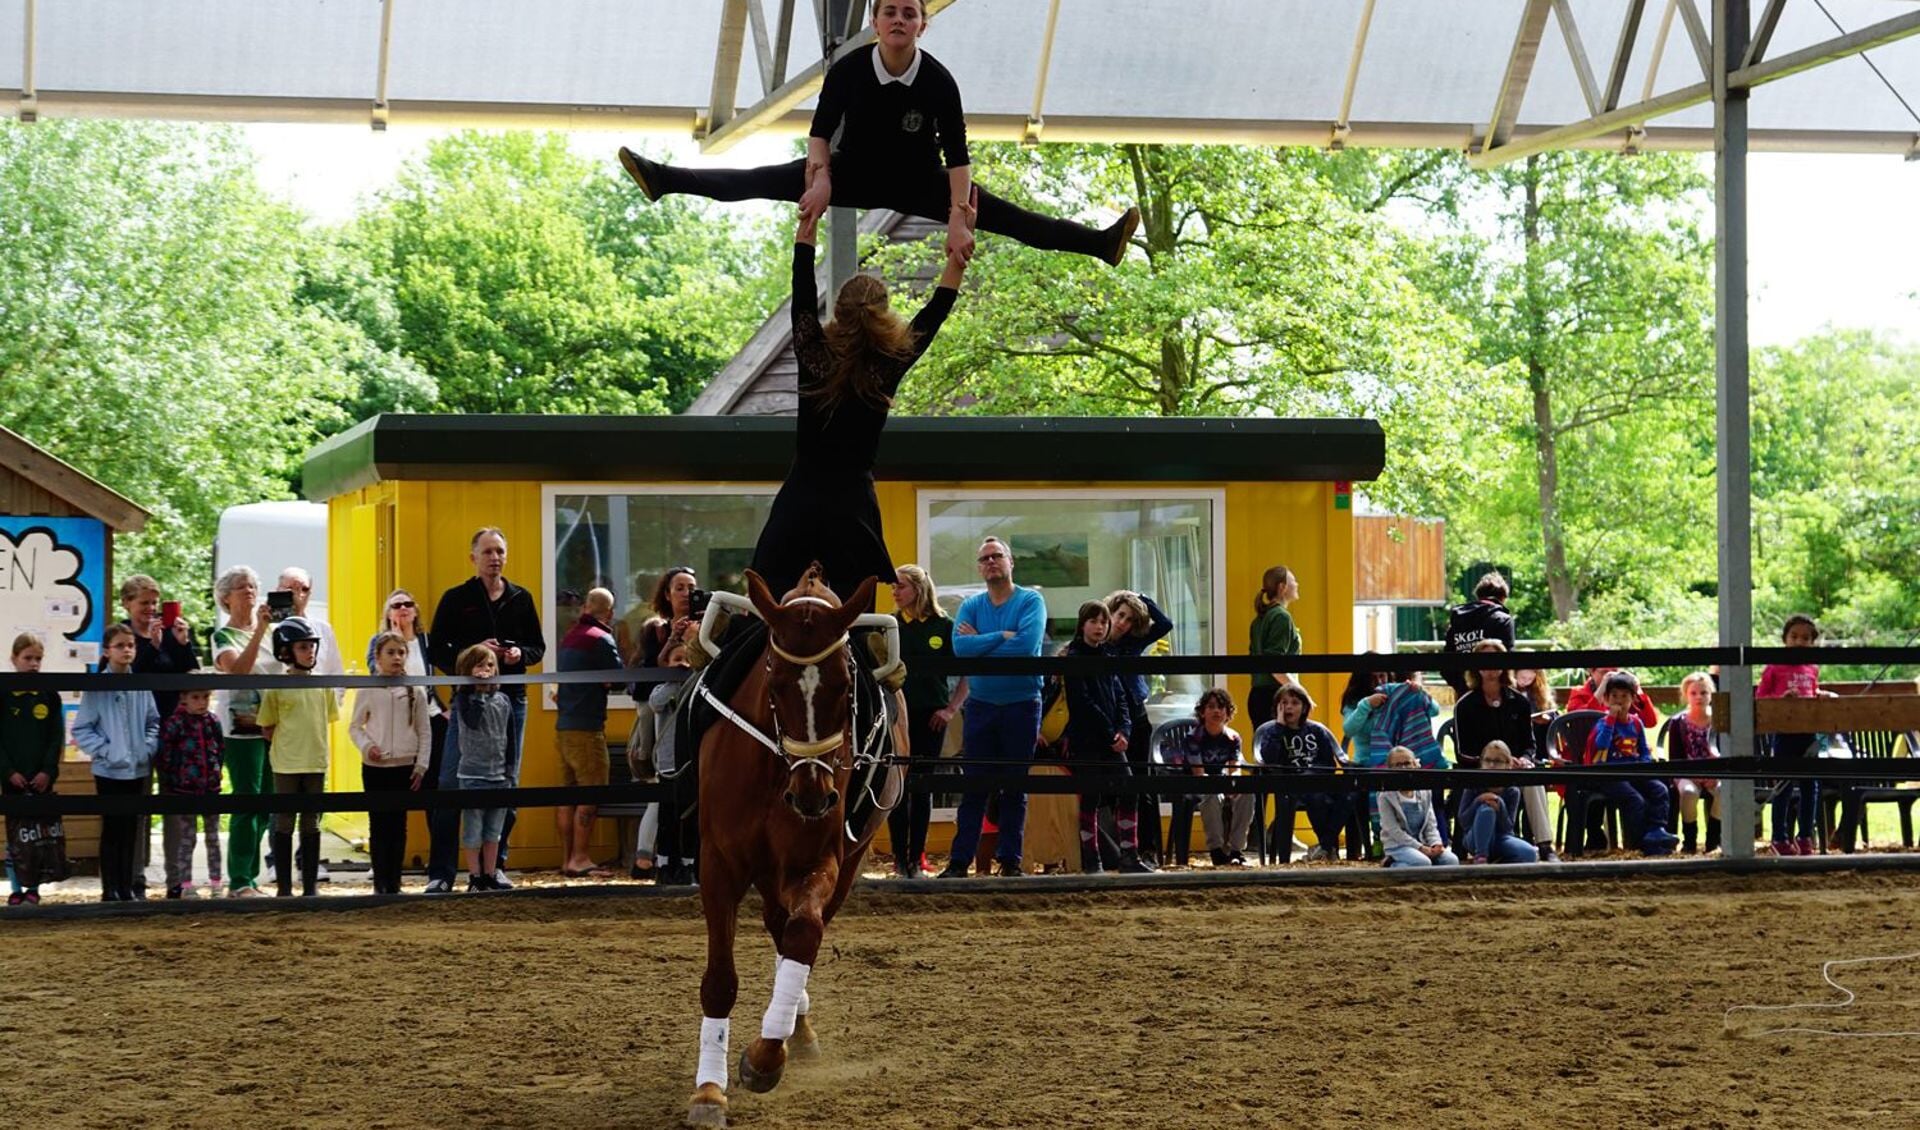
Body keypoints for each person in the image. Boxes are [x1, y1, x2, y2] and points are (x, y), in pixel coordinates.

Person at [618, 1, 1139, 269]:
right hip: (851, 173)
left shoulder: (938, 82)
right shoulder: (847, 71)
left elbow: (959, 161)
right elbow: (820, 133)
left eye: (908, 13)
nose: (898, 20)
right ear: (875, 21)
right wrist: (819, 180)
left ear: (921, 26)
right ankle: (664, 178)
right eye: (889, 11)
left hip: (921, 181)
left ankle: (1100, 243)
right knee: (756, 178)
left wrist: (960, 221)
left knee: (1013, 220)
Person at [748, 206, 967, 606]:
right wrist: (957, 259)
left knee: (765, 610)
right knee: (859, 623)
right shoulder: (889, 365)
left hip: (801, 500)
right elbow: (935, 311)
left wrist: (806, 232)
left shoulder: (812, 352)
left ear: (838, 309)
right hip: (852, 510)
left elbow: (800, 293)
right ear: (883, 314)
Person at [428, 527, 544, 889]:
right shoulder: (456, 598)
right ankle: (441, 874)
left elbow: (537, 648)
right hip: (466, 704)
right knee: (450, 783)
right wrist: (474, 655)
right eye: (488, 552)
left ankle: (495, 867)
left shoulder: (521, 598)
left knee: (506, 783)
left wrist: (517, 654)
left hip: (511, 701)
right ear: (473, 558)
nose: (494, 558)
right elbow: (437, 650)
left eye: (500, 552)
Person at [940, 536, 1046, 878]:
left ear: (1011, 562)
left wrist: (981, 642)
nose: (990, 562)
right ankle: (959, 862)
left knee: (1015, 787)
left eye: (996, 556)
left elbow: (1026, 648)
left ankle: (1010, 861)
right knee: (973, 788)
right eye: (984, 558)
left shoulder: (1031, 601)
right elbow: (960, 650)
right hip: (981, 706)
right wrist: (1001, 636)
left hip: (1022, 705)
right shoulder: (971, 606)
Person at [118, 574, 197, 898]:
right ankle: (135, 877)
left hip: (173, 733)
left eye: (155, 602)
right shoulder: (121, 637)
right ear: (127, 603)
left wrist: (182, 643)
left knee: (175, 807)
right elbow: (127, 677)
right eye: (144, 603)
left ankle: (176, 880)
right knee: (137, 806)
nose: (150, 609)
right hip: (135, 732)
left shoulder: (167, 635)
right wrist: (148, 648)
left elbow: (190, 676)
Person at [887, 564, 967, 878]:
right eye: (894, 587)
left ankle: (916, 857)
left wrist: (950, 710)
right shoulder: (890, 626)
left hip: (931, 716)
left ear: (919, 589)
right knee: (896, 787)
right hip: (897, 718)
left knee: (923, 785)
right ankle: (898, 858)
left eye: (901, 586)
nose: (895, 592)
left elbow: (966, 675)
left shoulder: (944, 626)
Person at [365, 588, 446, 889]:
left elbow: (431, 679)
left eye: (408, 604)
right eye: (396, 605)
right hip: (389, 735)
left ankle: (435, 870)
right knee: (385, 814)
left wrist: (444, 709)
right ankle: (383, 873)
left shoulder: (425, 641)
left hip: (428, 718)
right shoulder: (379, 643)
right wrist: (395, 638)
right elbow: (376, 681)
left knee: (430, 796)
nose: (402, 609)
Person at [72, 623, 159, 901]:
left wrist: (146, 749)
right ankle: (109, 887)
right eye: (120, 645)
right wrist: (107, 751)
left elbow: (153, 722)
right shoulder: (97, 688)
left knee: (130, 829)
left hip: (137, 767)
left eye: (130, 645)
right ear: (107, 650)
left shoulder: (142, 686)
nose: (126, 650)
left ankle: (127, 885)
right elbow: (82, 729)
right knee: (111, 828)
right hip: (109, 770)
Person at [1060, 600, 1145, 875]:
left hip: (1114, 738)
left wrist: (1125, 729)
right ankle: (1091, 857)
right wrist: (1110, 733)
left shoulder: (1108, 656)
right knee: (1090, 797)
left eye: (1104, 622)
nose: (1099, 627)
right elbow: (1082, 702)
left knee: (1128, 789)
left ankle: (1129, 854)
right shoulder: (1073, 657)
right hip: (1087, 739)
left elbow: (1120, 696)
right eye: (1094, 621)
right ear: (1082, 624)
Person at [1452, 641, 1558, 861]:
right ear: (1475, 667)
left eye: (1495, 660)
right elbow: (1462, 752)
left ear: (1504, 665)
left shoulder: (1518, 702)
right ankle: (1481, 849)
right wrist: (1492, 762)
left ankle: (1545, 845)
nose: (1490, 667)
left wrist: (1524, 759)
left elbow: (1530, 745)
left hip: (1514, 769)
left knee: (1533, 777)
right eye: (1484, 661)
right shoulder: (1465, 705)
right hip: (1480, 772)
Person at [258, 616, 337, 897]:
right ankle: (283, 887)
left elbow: (326, 718)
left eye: (312, 646)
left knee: (311, 822)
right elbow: (267, 726)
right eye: (303, 647)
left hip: (315, 761)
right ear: (287, 651)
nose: (310, 652)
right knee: (284, 821)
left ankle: (310, 886)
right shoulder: (277, 686)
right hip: (286, 763)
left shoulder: (323, 684)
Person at [211, 566, 277, 897]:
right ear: (226, 597)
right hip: (241, 730)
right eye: (241, 586)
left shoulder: (271, 632)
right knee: (246, 800)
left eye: (253, 585)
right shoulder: (222, 637)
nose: (249, 590)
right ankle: (238, 880)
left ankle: (251, 876)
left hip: (274, 728)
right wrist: (259, 631)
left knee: (267, 802)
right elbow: (238, 670)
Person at [350, 632, 432, 894]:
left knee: (399, 824)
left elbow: (424, 730)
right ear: (378, 657)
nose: (396, 657)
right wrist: (367, 746)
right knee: (379, 824)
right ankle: (380, 883)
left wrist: (421, 765)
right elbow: (355, 726)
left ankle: (394, 883)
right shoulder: (368, 688)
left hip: (405, 767)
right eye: (390, 652)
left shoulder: (416, 690)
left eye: (401, 652)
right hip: (375, 768)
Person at [555, 588, 621, 878]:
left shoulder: (569, 637)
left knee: (568, 794)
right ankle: (580, 857)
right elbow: (616, 679)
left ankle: (567, 858)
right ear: (609, 612)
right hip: (588, 727)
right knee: (590, 793)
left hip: (564, 726)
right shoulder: (601, 639)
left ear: (585, 606)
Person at [1104, 589, 1172, 866]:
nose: (1123, 623)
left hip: (1137, 717)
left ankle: (1147, 849)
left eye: (1130, 620)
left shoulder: (1134, 642)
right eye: (1120, 615)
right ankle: (1115, 848)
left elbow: (1165, 624)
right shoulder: (1097, 643)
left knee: (1141, 784)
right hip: (1109, 723)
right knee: (1110, 786)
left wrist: (1142, 598)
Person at [1584, 670, 1681, 856]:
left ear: (1632, 699)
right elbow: (1601, 744)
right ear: (1606, 699)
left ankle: (1656, 830)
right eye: (1614, 696)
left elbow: (1644, 749)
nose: (1619, 700)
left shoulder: (1636, 723)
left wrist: (1643, 765)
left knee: (1659, 790)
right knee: (1634, 800)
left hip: (1634, 770)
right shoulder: (1603, 723)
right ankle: (1637, 843)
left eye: (1624, 696)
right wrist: (1611, 720)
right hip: (1609, 774)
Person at [1758, 614, 1830, 856]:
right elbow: (1761, 699)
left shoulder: (1812, 668)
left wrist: (1820, 695)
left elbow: (1811, 690)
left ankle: (1805, 836)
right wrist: (1781, 700)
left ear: (1813, 642)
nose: (1800, 642)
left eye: (1806, 638)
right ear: (1785, 639)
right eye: (1794, 637)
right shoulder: (1774, 668)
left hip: (1808, 733)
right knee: (1783, 787)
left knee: (1811, 786)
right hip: (1785, 734)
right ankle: (1779, 837)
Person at [2, 634, 64, 906]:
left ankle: (34, 887)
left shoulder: (49, 695)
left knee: (38, 835)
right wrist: (7, 771)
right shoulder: (3, 693)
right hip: (12, 778)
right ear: (14, 659)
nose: (33, 664)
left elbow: (55, 737)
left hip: (40, 778)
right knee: (16, 834)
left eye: (38, 659)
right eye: (27, 658)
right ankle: (15, 887)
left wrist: (48, 771)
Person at [1259, 681, 1347, 863]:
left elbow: (1329, 764)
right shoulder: (1272, 732)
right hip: (1291, 785)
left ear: (1304, 707)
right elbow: (1269, 759)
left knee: (1351, 793)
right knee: (1315, 797)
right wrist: (1280, 728)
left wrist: (1314, 774)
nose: (1289, 707)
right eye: (1284, 703)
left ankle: (1323, 845)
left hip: (1319, 781)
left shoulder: (1316, 730)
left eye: (1295, 703)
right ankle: (1327, 847)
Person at [452, 645, 512, 892]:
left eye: (490, 665)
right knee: (473, 830)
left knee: (493, 831)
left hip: (499, 775)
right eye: (479, 666)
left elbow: (511, 736)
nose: (486, 671)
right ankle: (474, 876)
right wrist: (477, 692)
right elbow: (473, 721)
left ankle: (490, 873)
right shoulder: (464, 700)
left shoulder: (504, 700)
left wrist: (510, 768)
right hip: (472, 774)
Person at [154, 688, 224, 898]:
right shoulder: (175, 723)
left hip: (210, 788)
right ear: (183, 698)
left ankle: (216, 882)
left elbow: (220, 749)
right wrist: (173, 779)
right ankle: (185, 884)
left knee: (213, 837)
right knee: (187, 837)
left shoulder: (212, 721)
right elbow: (165, 753)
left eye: (205, 697)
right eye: (195, 697)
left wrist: (216, 770)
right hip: (184, 788)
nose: (201, 702)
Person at [1171, 688, 1253, 868]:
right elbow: (1198, 773)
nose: (1217, 711)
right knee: (1212, 794)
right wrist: (1222, 785)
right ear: (1202, 712)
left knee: (1247, 794)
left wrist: (1233, 786)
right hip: (1197, 784)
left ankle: (1236, 850)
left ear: (1228, 712)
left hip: (1221, 782)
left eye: (1221, 707)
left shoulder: (1233, 737)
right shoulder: (1194, 737)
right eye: (1211, 707)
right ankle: (1216, 851)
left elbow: (1235, 768)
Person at [1455, 741, 1538, 864]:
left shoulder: (1512, 791)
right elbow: (1463, 821)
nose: (1492, 765)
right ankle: (1481, 857)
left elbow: (1508, 827)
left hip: (1501, 838)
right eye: (1488, 760)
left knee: (1529, 854)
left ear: (1508, 764)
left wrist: (1500, 805)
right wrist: (1478, 801)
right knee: (1486, 810)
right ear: (1481, 763)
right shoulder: (1473, 786)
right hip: (1475, 837)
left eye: (1498, 761)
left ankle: (1497, 862)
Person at [1666, 671, 1722, 855]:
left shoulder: (1720, 721)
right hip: (1687, 772)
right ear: (1686, 695)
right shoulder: (1678, 723)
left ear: (1712, 694)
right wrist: (1693, 774)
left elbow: (1725, 752)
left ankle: (1713, 841)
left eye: (1704, 693)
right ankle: (1689, 841)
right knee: (1689, 793)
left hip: (1715, 773)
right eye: (1693, 693)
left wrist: (1715, 774)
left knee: (1723, 790)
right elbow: (1675, 758)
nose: (1699, 697)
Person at [1378, 746, 1458, 868]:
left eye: (1407, 763)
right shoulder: (1385, 796)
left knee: (1451, 860)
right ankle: (1392, 864)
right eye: (1398, 765)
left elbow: (1431, 824)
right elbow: (1393, 830)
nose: (1403, 768)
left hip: (1423, 842)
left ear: (1415, 764)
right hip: (1399, 845)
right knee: (1422, 863)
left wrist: (1435, 843)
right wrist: (1419, 848)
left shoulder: (1425, 792)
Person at [1441, 571, 1516, 697]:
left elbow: (1447, 661)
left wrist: (1462, 686)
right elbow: (1509, 659)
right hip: (1495, 693)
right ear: (1503, 598)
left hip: (1463, 693)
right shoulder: (1502, 620)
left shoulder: (1457, 620)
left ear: (1479, 596)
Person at [1246, 565, 1302, 730]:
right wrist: (1300, 693)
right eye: (1293, 581)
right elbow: (1275, 666)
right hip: (1275, 696)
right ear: (1282, 587)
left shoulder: (1259, 620)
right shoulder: (1281, 617)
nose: (1297, 584)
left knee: (1263, 750)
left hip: (1258, 695)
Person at [278, 567, 345, 699]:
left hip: (317, 709)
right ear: (278, 590)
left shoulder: (323, 629)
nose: (298, 595)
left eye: (304, 589)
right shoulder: (269, 628)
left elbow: (336, 673)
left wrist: (330, 707)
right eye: (291, 589)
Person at [635, 567, 697, 669]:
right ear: (667, 595)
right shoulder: (657, 630)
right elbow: (651, 671)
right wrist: (672, 638)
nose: (686, 594)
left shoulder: (707, 627)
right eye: (680, 589)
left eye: (692, 589)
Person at [1566, 667, 1658, 726]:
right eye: (1604, 672)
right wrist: (1601, 689)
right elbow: (1581, 722)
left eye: (1614, 672)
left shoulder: (1624, 696)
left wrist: (1636, 689)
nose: (1610, 677)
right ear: (1592, 672)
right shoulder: (1578, 693)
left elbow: (1650, 722)